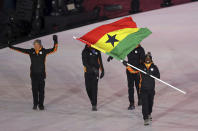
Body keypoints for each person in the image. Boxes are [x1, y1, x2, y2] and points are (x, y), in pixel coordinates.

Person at [8, 35, 58, 110]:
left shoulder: (44, 52)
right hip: (33, 75)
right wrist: (11, 46)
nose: (35, 46)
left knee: (41, 91)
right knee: (34, 90)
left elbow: (54, 49)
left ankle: (41, 105)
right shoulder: (31, 51)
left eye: (36, 45)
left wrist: (55, 41)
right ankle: (35, 104)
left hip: (41, 75)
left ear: (40, 45)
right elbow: (21, 50)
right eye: (34, 45)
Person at [107, 44, 145, 110]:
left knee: (138, 86)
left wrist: (138, 68)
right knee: (130, 88)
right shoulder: (128, 47)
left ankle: (140, 99)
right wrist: (112, 56)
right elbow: (120, 51)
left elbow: (143, 62)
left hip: (137, 72)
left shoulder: (140, 49)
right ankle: (131, 103)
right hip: (129, 71)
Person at [139, 52, 160, 126]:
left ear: (151, 59)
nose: (147, 59)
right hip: (143, 89)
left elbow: (158, 76)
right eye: (146, 58)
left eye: (149, 58)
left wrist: (152, 74)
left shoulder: (154, 67)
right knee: (145, 104)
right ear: (145, 59)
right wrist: (125, 64)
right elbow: (133, 68)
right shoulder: (141, 66)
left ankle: (149, 113)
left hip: (151, 89)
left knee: (150, 103)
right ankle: (145, 118)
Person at [82, 45, 104, 111]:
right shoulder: (85, 51)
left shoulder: (97, 50)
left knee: (94, 88)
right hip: (87, 73)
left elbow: (100, 61)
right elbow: (84, 63)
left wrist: (102, 70)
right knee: (88, 88)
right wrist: (92, 69)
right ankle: (92, 100)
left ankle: (94, 105)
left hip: (96, 73)